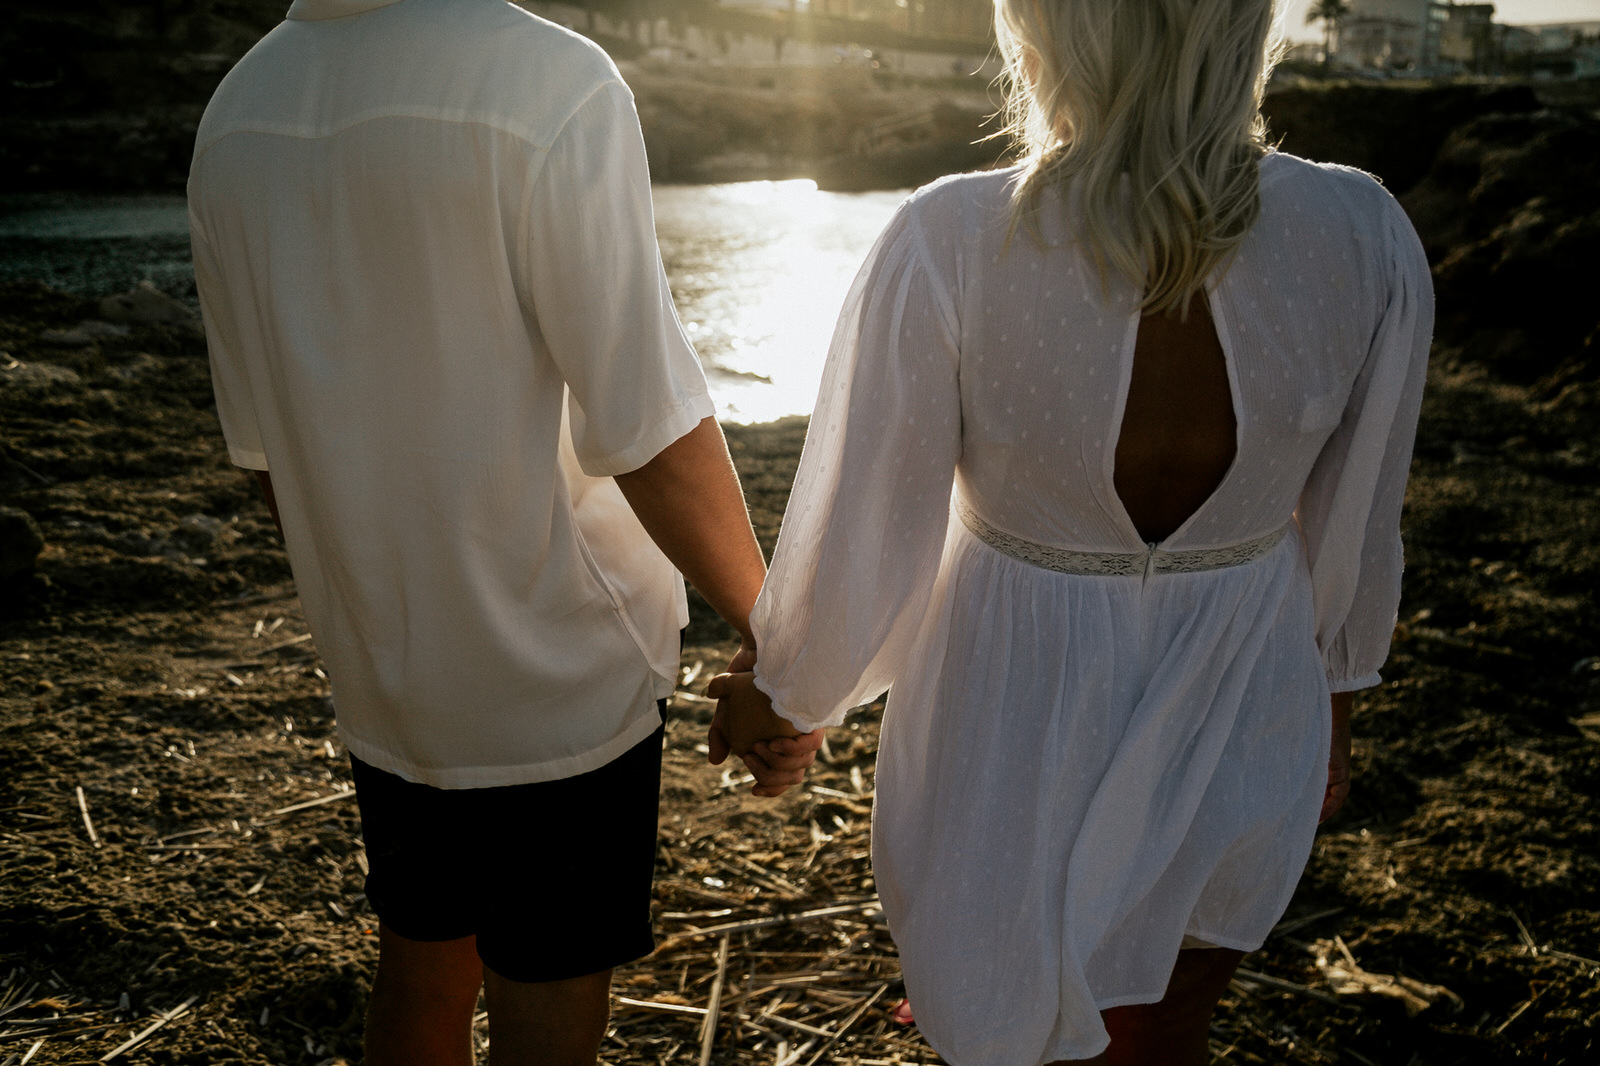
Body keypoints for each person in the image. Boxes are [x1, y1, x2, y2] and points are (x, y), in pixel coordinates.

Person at [707, 1, 1433, 1063]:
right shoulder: (1361, 234)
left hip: (1012, 716)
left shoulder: (955, 237)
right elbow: (1358, 518)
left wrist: (785, 696)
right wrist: (1331, 690)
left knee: (1016, 1036)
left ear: (1044, 40)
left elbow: (871, 528)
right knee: (1167, 1031)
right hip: (1239, 697)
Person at [188, 1, 816, 1063]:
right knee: (546, 1011)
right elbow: (650, 432)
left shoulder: (240, 107)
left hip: (387, 666)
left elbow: (268, 465)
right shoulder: (547, 83)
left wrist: (378, 609)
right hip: (555, 663)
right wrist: (778, 637)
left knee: (424, 957)